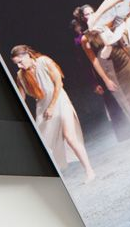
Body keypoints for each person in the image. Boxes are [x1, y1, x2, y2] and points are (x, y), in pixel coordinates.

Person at [10, 45, 95, 183]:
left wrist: (52, 106)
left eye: (20, 62)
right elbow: (21, 97)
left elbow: (58, 84)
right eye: (17, 64)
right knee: (44, 144)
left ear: (27, 55)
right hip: (42, 106)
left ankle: (89, 170)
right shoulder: (21, 75)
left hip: (59, 100)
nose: (19, 66)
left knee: (70, 137)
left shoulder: (44, 62)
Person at [71, 5, 130, 141]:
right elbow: (93, 61)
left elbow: (119, 41)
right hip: (107, 66)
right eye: (87, 14)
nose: (91, 15)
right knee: (122, 99)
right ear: (83, 18)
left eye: (92, 12)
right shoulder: (85, 38)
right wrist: (105, 80)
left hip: (122, 59)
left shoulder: (105, 24)